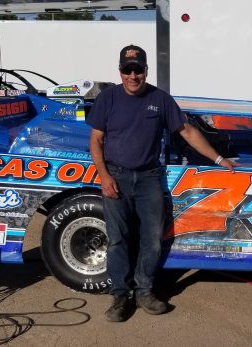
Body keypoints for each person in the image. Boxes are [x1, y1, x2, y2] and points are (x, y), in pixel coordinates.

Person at [87, 44, 239, 322]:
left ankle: (145, 291)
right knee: (118, 239)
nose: (133, 75)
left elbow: (187, 132)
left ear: (145, 71)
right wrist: (104, 176)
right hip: (116, 177)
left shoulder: (161, 99)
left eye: (138, 70)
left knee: (153, 239)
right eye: (127, 70)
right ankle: (120, 296)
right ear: (120, 71)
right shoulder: (107, 99)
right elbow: (96, 140)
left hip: (149, 178)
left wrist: (219, 159)